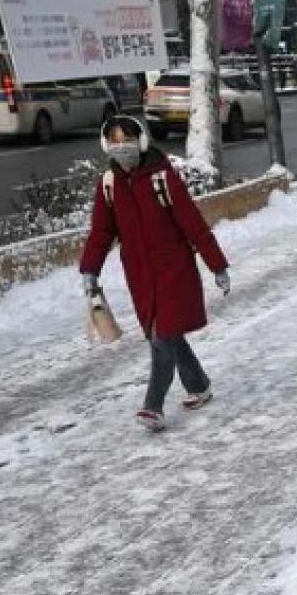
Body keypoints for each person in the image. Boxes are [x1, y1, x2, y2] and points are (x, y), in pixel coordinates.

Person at [78, 116, 230, 432]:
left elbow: (193, 223)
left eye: (128, 140)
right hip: (140, 275)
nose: (123, 148)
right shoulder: (108, 184)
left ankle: (153, 406)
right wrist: (90, 269)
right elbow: (101, 233)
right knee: (166, 334)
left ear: (142, 141)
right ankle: (199, 385)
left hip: (174, 270)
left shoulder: (163, 178)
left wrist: (217, 265)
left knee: (162, 337)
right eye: (115, 141)